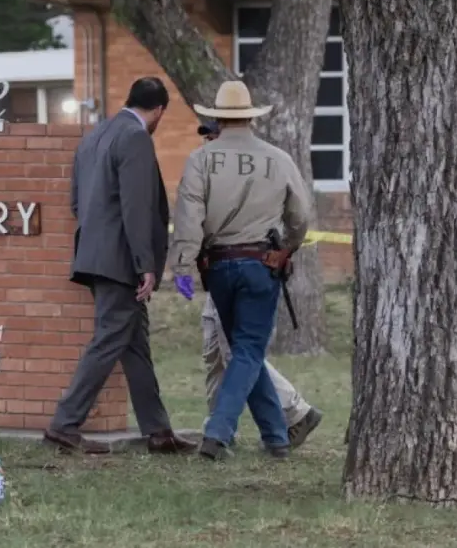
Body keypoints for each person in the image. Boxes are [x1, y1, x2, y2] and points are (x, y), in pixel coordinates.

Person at [44, 77, 197, 456]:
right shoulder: (135, 137)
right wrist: (145, 264)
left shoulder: (94, 137)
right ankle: (64, 424)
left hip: (95, 255)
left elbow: (77, 202)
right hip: (122, 260)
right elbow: (136, 205)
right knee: (109, 338)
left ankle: (158, 431)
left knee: (135, 344)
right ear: (159, 110)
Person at [169, 81, 313, 460]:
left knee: (242, 349)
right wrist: (286, 247)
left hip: (217, 266)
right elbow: (300, 217)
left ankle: (276, 437)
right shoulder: (278, 159)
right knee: (248, 349)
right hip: (261, 265)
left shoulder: (200, 159)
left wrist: (182, 266)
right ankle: (218, 433)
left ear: (218, 118)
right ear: (251, 118)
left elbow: (188, 219)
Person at [194, 121, 323, 448]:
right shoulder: (210, 165)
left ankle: (225, 428)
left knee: (241, 352)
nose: (210, 140)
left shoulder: (258, 164)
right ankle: (274, 433)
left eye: (214, 134)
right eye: (208, 136)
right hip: (222, 266)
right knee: (220, 351)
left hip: (241, 264)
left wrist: (286, 249)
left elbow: (298, 216)